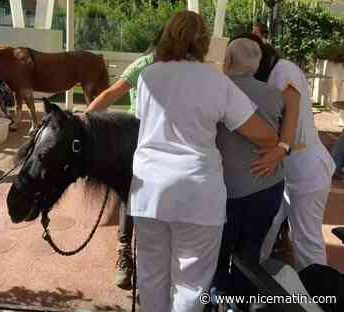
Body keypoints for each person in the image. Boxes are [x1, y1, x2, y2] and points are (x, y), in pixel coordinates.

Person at [128, 11, 279, 312]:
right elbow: (263, 135)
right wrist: (280, 144)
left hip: (148, 193)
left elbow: (144, 121)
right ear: (204, 42)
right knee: (191, 285)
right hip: (198, 194)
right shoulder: (216, 80)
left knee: (150, 279)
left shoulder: (147, 76)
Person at [244, 36, 336, 271]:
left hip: (306, 170)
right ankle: (255, 284)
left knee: (306, 240)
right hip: (287, 171)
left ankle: (319, 299)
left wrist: (280, 148)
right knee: (266, 227)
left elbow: (290, 117)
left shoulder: (284, 71)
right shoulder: (271, 73)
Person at [85, 28, 164, 290]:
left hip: (167, 141)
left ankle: (156, 260)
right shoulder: (144, 64)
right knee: (131, 191)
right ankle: (124, 253)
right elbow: (110, 94)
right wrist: (83, 120)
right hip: (137, 135)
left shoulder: (185, 68)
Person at [214, 38, 286, 296]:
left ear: (227, 61)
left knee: (217, 256)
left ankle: (218, 299)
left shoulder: (215, 89)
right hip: (267, 187)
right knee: (250, 254)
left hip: (223, 190)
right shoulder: (275, 95)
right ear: (255, 66)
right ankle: (242, 301)